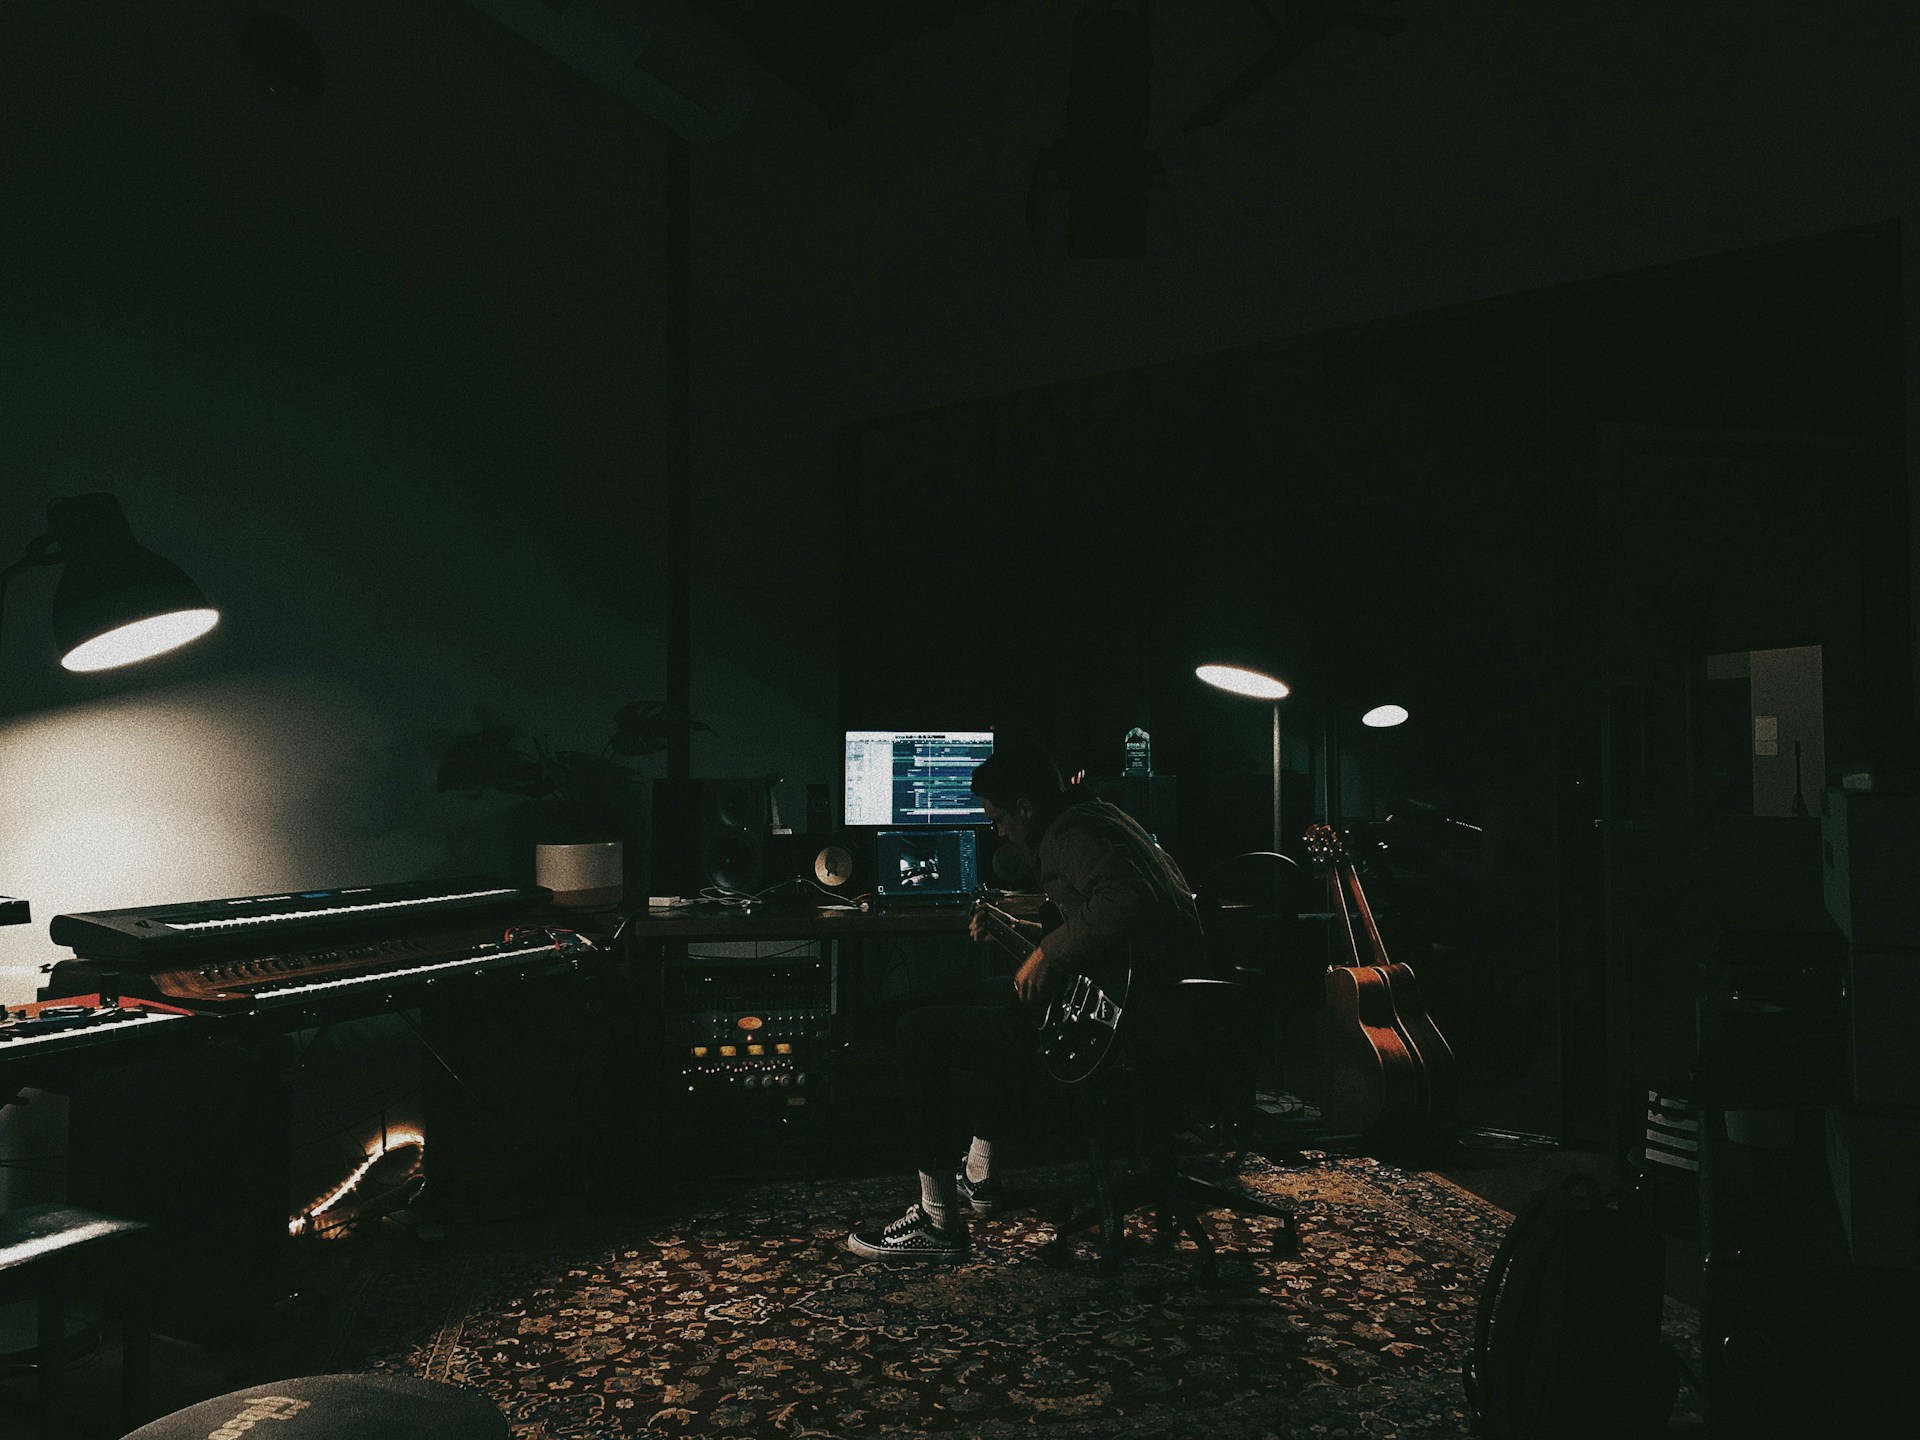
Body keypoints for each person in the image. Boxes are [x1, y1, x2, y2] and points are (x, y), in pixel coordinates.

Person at [845, 740, 1206, 1261]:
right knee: (998, 995)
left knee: (915, 1031)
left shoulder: (1067, 835)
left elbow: (1126, 898)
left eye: (998, 820)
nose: (999, 832)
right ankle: (980, 1174)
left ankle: (937, 1220)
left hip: (1120, 1033)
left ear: (1026, 809)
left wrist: (1047, 957)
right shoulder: (1102, 819)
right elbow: (1099, 926)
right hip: (1161, 1016)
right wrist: (1017, 931)